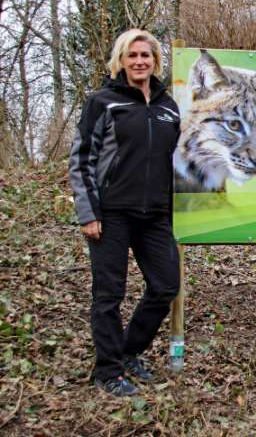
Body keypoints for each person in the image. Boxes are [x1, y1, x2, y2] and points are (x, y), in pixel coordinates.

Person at [69, 29, 181, 397]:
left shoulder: (168, 106)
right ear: (121, 60)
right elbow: (82, 159)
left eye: (145, 55)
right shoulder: (103, 102)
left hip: (155, 215)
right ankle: (108, 371)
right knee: (109, 295)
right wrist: (88, 212)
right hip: (111, 213)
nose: (139, 61)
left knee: (166, 287)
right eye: (132, 55)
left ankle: (129, 351)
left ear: (155, 61)